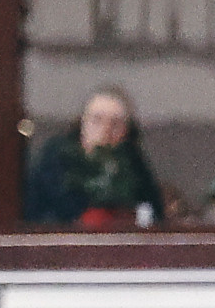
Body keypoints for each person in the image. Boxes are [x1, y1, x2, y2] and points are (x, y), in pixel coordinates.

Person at [24, 89, 165, 228]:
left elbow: (154, 211)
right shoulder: (56, 157)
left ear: (126, 130)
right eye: (97, 120)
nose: (106, 129)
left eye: (115, 123)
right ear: (82, 123)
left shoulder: (132, 162)